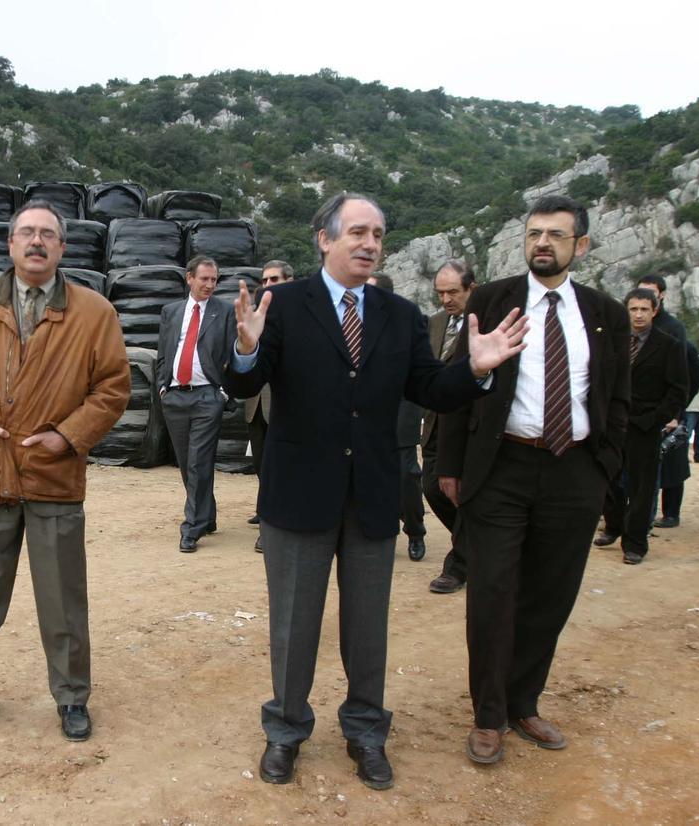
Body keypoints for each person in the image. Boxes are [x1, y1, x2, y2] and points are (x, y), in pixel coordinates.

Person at [224, 192, 528, 791]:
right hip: (298, 496)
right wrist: (247, 346)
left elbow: (430, 388)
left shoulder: (400, 314)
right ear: (325, 238)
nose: (369, 244)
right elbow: (245, 385)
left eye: (378, 235)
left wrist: (475, 369)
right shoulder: (281, 304)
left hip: (372, 498)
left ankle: (366, 731)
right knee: (294, 626)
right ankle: (286, 730)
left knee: (368, 628)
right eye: (358, 232)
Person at [437, 195, 630, 765]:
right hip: (503, 469)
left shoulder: (605, 312)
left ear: (581, 245)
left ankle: (524, 702)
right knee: (494, 592)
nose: (542, 243)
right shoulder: (493, 299)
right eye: (534, 233)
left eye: (556, 235)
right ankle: (488, 716)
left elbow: (616, 396)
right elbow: (455, 387)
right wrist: (450, 465)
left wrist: (604, 466)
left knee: (550, 594)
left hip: (574, 471)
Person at [0, 201, 130, 742]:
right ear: (11, 244)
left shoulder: (94, 313)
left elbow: (113, 387)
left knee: (63, 600)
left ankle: (71, 697)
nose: (36, 242)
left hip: (54, 477)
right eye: (27, 233)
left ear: (63, 248)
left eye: (48, 234)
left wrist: (67, 436)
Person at [595, 288, 687, 563]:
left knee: (642, 487)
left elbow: (679, 390)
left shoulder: (669, 345)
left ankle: (635, 544)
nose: (638, 314)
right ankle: (613, 526)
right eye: (633, 309)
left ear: (654, 311)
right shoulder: (613, 342)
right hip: (612, 424)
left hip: (644, 426)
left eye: (644, 309)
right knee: (607, 478)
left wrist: (655, 420)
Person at [156, 255, 237, 552]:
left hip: (207, 396)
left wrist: (223, 394)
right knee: (186, 462)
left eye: (214, 279)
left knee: (199, 462)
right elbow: (163, 351)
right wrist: (162, 387)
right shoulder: (171, 311)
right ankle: (207, 515)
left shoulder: (224, 312)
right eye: (204, 278)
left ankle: (191, 528)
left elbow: (233, 355)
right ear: (189, 278)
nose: (209, 284)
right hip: (175, 396)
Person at [423, 262, 476, 593]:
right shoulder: (436, 323)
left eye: (453, 292)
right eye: (440, 293)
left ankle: (459, 564)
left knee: (467, 493)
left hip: (472, 425)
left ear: (471, 288)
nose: (446, 299)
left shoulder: (488, 322)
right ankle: (476, 544)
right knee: (432, 487)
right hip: (436, 421)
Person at [368, 274, 427, 561]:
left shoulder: (408, 322)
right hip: (368, 411)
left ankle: (415, 530)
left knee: (406, 475)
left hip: (403, 406)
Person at [637, 275, 695, 529]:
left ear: (660, 296)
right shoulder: (631, 326)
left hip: (668, 406)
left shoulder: (673, 327)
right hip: (639, 407)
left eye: (650, 293)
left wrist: (675, 410)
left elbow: (684, 370)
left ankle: (671, 512)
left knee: (672, 461)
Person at [245, 260, 294, 552]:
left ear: (289, 280)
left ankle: (271, 526)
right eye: (265, 280)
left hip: (285, 404)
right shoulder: (256, 315)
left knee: (282, 466)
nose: (268, 285)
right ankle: (267, 509)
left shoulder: (303, 315)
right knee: (262, 463)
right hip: (256, 404)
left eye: (274, 279)